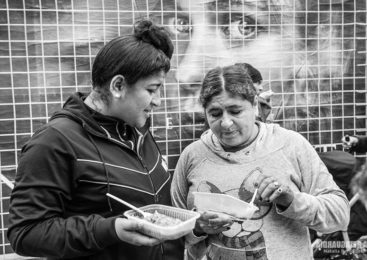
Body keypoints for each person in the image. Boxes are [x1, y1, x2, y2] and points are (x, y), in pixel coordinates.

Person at [7, 19, 184, 260]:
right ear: (118, 85)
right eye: (152, 90)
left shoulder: (135, 128)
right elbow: (26, 234)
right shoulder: (55, 142)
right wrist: (110, 229)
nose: (158, 101)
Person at [170, 64, 350, 260]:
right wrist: (197, 227)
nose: (226, 123)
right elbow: (172, 232)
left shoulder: (290, 145)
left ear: (255, 104)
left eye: (235, 111)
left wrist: (291, 201)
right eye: (215, 114)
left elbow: (339, 215)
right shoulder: (192, 156)